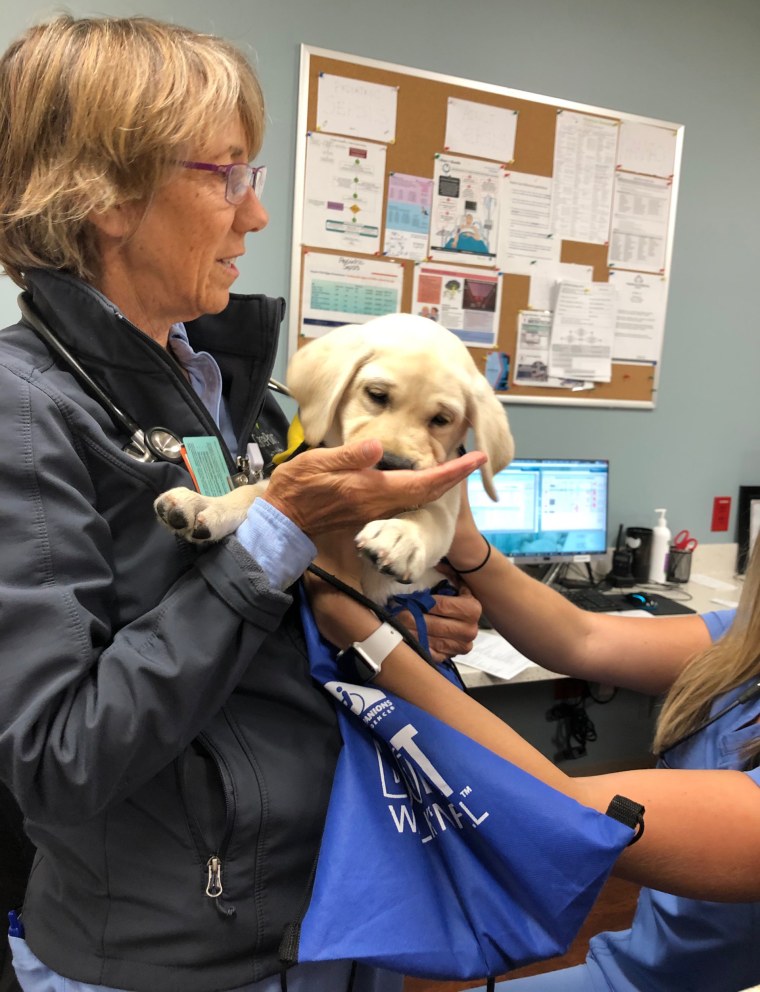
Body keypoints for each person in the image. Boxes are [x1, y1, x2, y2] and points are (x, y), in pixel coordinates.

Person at [0, 16, 484, 992]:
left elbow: (263, 633)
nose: (254, 217)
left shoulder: (233, 397)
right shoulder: (24, 410)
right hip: (178, 960)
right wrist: (271, 536)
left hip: (337, 909)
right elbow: (57, 754)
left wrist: (405, 612)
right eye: (224, 174)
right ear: (105, 198)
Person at [306, 484, 760, 992]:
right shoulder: (746, 641)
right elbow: (582, 639)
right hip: (634, 965)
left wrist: (362, 631)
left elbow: (564, 810)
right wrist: (462, 542)